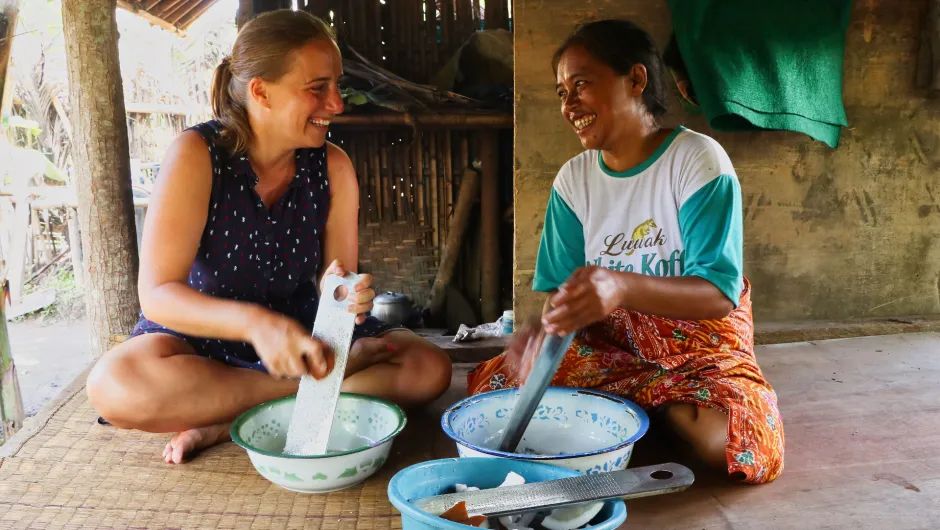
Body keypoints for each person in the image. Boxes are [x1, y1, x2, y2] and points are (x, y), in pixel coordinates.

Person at [87, 10, 452, 464]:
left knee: (428, 368)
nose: (337, 103)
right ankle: (312, 393)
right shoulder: (198, 156)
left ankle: (226, 421)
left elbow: (337, 288)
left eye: (337, 85)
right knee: (115, 384)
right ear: (260, 91)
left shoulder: (333, 167)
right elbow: (158, 295)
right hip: (202, 346)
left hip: (301, 342)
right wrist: (257, 326)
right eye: (317, 88)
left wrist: (344, 296)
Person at [467, 20, 784, 484]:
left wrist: (621, 287)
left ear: (635, 80)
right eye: (561, 93)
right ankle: (643, 404)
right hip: (612, 349)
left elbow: (718, 293)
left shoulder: (696, 161)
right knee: (492, 391)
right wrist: (542, 330)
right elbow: (563, 293)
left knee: (735, 443)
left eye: (581, 84)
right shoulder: (574, 181)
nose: (569, 104)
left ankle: (656, 406)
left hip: (699, 347)